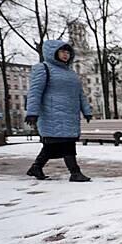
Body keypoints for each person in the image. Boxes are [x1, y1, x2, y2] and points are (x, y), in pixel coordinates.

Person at [25, 40, 93, 182]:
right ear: (53, 52)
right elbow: (35, 92)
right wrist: (32, 112)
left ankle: (36, 167)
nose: (65, 55)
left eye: (68, 52)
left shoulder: (71, 73)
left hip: (70, 115)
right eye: (62, 51)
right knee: (67, 144)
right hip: (51, 114)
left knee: (52, 146)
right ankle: (75, 172)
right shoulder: (43, 68)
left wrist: (86, 110)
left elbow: (80, 93)